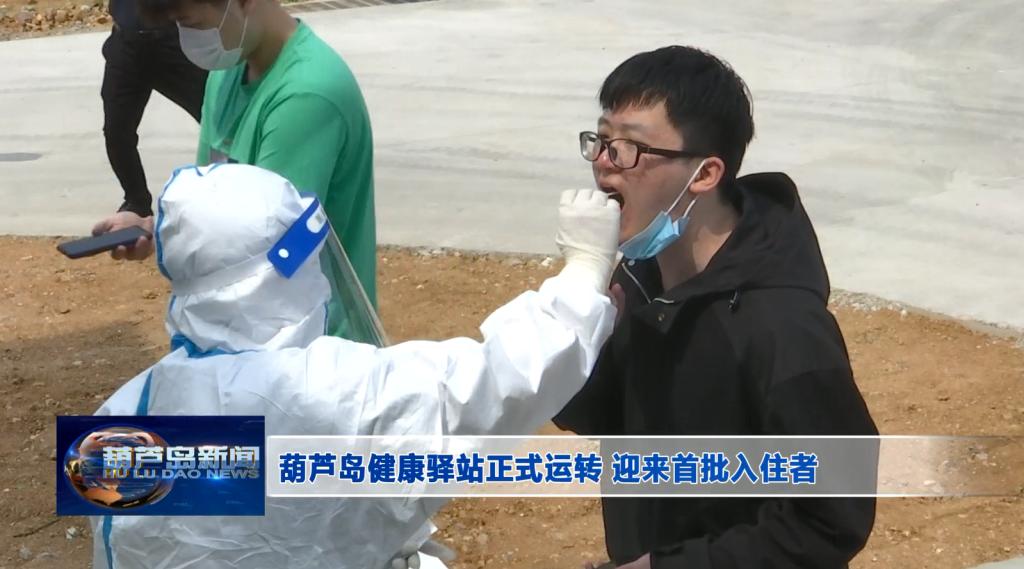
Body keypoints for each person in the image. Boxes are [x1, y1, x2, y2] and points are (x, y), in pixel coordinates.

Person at [88, 163, 621, 569]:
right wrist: (586, 268)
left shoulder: (118, 421)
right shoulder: (337, 395)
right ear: (282, 272)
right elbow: (501, 381)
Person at [554, 46, 878, 568]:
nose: (604, 163)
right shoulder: (639, 279)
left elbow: (829, 518)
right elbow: (609, 417)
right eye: (602, 139)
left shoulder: (782, 326)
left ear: (704, 175)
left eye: (630, 146)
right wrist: (579, 327)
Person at [91, 0, 379, 309]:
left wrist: (170, 237)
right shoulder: (227, 74)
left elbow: (275, 247)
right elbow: (212, 201)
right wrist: (154, 227)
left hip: (308, 329)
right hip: (247, 320)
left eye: (192, 24)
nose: (189, 41)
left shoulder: (306, 96)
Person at [101, 0, 207, 217]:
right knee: (116, 131)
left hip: (173, 41)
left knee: (215, 116)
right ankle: (136, 202)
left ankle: (232, 185)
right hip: (126, 42)